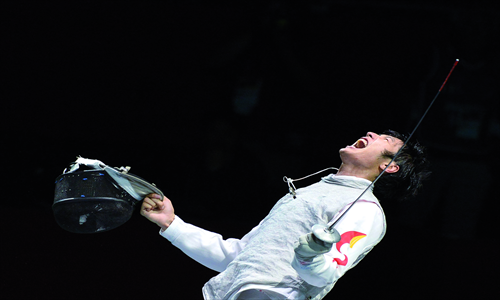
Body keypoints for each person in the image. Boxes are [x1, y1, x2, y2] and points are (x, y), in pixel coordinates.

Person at [140, 130, 430, 299]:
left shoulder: (366, 211)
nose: (370, 133)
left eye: (383, 140)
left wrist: (309, 255)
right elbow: (237, 256)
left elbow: (326, 273)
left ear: (389, 167)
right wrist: (172, 224)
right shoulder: (309, 192)